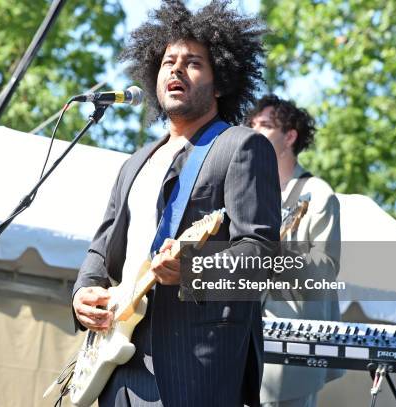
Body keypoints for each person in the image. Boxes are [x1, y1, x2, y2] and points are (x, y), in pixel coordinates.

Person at [72, 1, 281, 406]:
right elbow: (102, 248)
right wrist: (83, 290)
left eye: (193, 63)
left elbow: (261, 253)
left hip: (193, 367)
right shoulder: (137, 162)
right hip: (118, 364)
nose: (176, 70)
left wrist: (192, 268)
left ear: (220, 82)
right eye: (168, 61)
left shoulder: (241, 146)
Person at [247, 95, 343, 407]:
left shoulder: (317, 194)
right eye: (252, 125)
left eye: (265, 126)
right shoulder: (247, 191)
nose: (253, 131)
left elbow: (325, 267)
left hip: (292, 350)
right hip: (247, 345)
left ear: (289, 137)